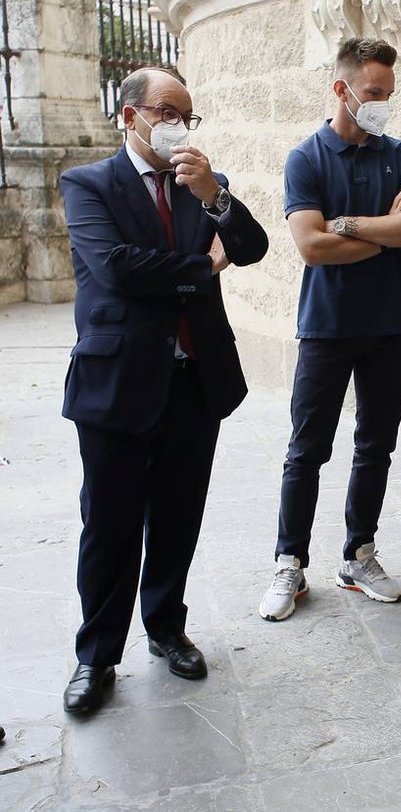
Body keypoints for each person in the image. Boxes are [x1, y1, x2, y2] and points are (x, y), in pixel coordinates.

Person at [59, 67, 268, 714]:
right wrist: (201, 269)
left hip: (191, 380)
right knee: (111, 527)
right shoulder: (88, 184)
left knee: (178, 518)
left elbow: (252, 247)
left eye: (188, 115)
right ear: (130, 116)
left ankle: (166, 628)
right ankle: (96, 657)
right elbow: (117, 269)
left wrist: (215, 198)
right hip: (115, 384)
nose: (179, 125)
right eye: (167, 112)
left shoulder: (201, 184)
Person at [257, 39, 401, 621]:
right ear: (343, 89)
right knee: (306, 450)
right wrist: (385, 231)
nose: (382, 104)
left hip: (391, 324)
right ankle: (289, 562)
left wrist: (351, 226)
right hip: (327, 328)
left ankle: (358, 554)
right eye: (373, 93)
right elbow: (310, 246)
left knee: (375, 447)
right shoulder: (306, 157)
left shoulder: (399, 153)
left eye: (388, 94)